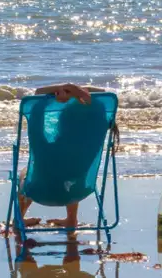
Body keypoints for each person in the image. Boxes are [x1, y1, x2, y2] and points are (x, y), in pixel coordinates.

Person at [18, 83, 107, 229]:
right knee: (72, 172)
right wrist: (77, 91)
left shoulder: (44, 147)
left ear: (61, 122)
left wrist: (67, 86)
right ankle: (72, 219)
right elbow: (102, 98)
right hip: (77, 192)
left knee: (26, 172)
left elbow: (37, 97)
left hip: (39, 192)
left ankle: (19, 220)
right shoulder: (95, 140)